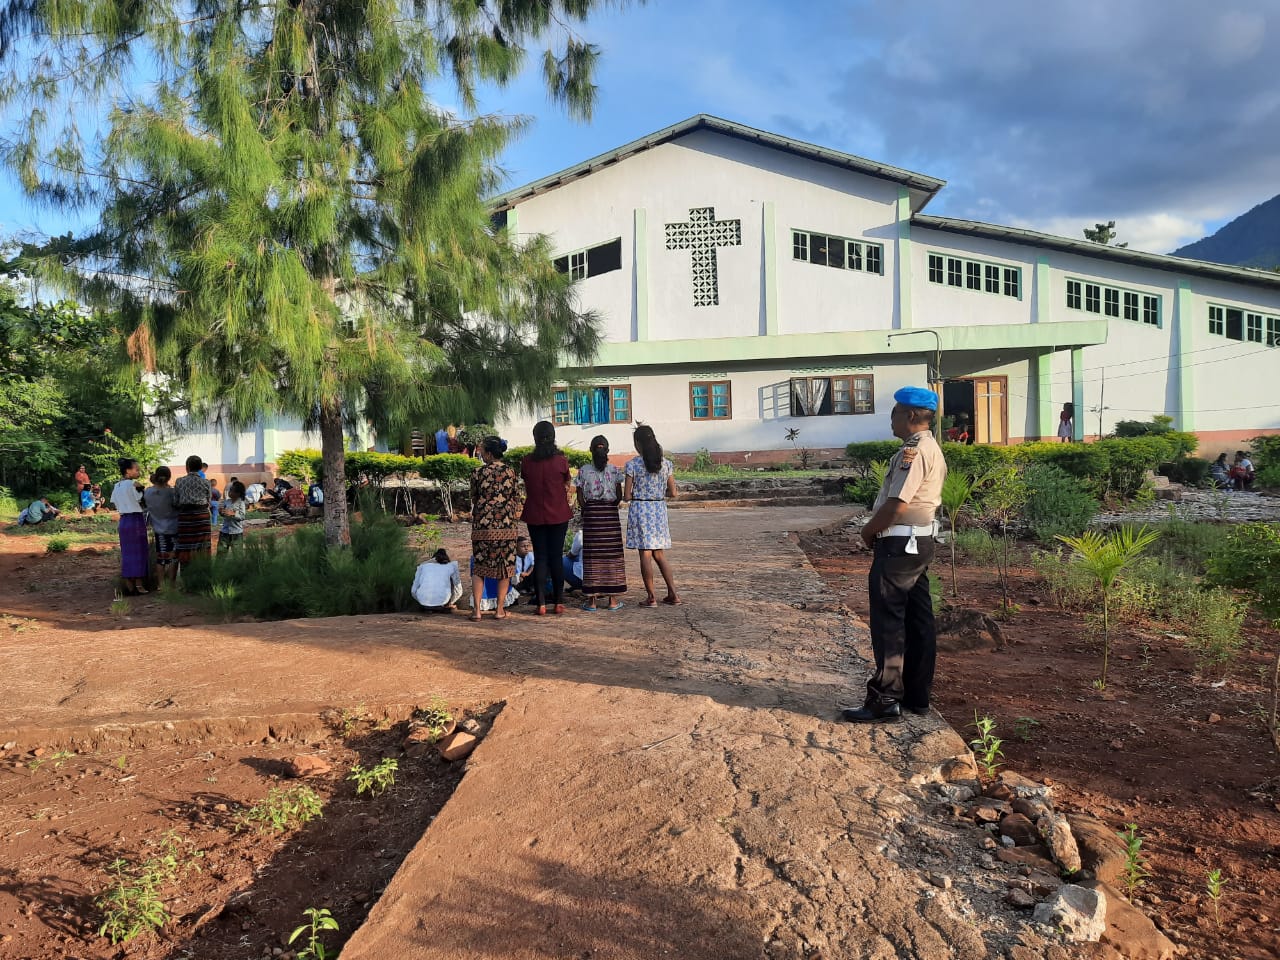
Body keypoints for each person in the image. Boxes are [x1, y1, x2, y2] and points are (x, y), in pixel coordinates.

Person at [843, 387, 948, 724]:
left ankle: (886, 698)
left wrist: (868, 531)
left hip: (899, 546)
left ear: (912, 416)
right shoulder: (931, 447)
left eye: (896, 412)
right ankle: (918, 696)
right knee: (919, 622)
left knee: (889, 623)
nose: (891, 418)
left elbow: (897, 505)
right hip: (919, 544)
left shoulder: (914, 452)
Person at [520, 421, 574, 615]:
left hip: (535, 514)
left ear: (535, 438)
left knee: (540, 557)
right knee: (556, 557)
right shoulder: (561, 461)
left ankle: (541, 604)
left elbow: (526, 479)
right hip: (559, 514)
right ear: (553, 437)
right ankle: (559, 601)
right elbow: (567, 480)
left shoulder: (526, 461)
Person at [624, 425, 680, 607]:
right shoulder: (666, 464)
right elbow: (673, 492)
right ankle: (673, 593)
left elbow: (626, 495)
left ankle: (651, 597)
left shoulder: (633, 465)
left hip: (641, 509)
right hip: (658, 510)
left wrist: (639, 494)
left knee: (645, 554)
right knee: (659, 554)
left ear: (638, 443)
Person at [468, 437, 522, 621]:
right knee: (505, 568)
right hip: (506, 526)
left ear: (489, 454)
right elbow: (516, 497)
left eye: (482, 451)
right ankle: (499, 610)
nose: (480, 455)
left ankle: (476, 611)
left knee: (479, 568)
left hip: (482, 526)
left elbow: (474, 498)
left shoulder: (477, 473)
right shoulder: (511, 472)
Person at [575, 435, 627, 611]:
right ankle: (612, 601)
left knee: (592, 557)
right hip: (610, 516)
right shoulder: (614, 470)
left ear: (591, 450)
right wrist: (610, 506)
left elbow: (580, 496)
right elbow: (619, 496)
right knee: (612, 556)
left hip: (592, 516)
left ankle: (592, 602)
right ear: (607, 450)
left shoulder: (583, 471)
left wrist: (587, 509)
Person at [112, 458, 150, 595]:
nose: (138, 471)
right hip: (136, 520)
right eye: (136, 469)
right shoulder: (135, 484)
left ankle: (129, 585)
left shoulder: (116, 486)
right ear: (128, 471)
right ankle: (139, 585)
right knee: (140, 552)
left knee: (127, 554)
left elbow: (115, 503)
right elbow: (141, 501)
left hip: (124, 522)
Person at [174, 454, 213, 566]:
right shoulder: (206, 482)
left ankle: (187, 573)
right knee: (203, 545)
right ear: (201, 467)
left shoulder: (179, 481)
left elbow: (175, 502)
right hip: (202, 518)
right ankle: (203, 570)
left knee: (186, 546)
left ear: (187, 467)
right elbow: (208, 500)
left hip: (185, 518)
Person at [144, 467, 180, 584]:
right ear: (169, 477)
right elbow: (177, 505)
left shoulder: (148, 492)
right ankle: (171, 584)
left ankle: (160, 585)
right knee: (173, 558)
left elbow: (145, 507)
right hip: (174, 528)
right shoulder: (172, 492)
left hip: (158, 529)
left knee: (161, 558)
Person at [219, 480, 247, 551]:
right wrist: (221, 512)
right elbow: (224, 514)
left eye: (231, 490)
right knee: (221, 551)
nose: (229, 492)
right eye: (229, 490)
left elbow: (242, 517)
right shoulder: (227, 502)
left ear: (238, 493)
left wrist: (234, 514)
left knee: (237, 553)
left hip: (236, 532)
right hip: (225, 531)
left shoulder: (241, 503)